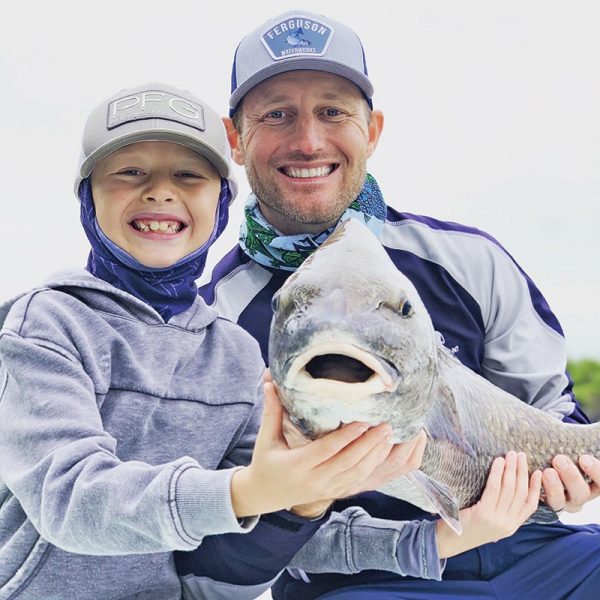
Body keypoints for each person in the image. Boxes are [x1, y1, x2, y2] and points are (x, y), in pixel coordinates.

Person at [192, 9, 600, 600]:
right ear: (235, 139)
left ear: (373, 130)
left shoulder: (471, 261)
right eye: (276, 114)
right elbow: (221, 538)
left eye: (333, 111)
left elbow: (557, 414)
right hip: (355, 579)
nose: (308, 140)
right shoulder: (211, 323)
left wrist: (574, 480)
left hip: (534, 551)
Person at [0, 82, 425, 600]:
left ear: (222, 199)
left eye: (189, 175)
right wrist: (248, 490)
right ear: (88, 195)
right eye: (129, 171)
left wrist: (431, 541)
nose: (159, 191)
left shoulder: (237, 353)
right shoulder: (43, 325)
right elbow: (69, 500)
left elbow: (267, 520)